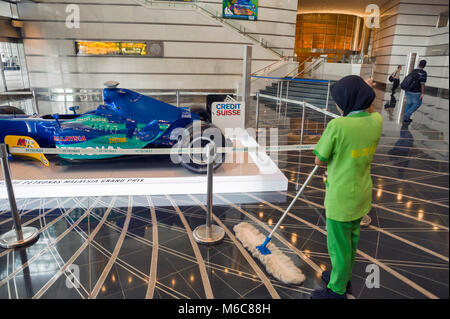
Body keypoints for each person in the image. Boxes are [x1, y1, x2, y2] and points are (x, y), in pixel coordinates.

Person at [310, 75, 383, 299]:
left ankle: (337, 290)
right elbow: (368, 111)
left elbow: (320, 159)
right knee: (350, 241)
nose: (337, 105)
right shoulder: (376, 120)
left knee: (338, 246)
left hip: (341, 197)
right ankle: (342, 276)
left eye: (338, 100)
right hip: (361, 193)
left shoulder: (338, 125)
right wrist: (366, 94)